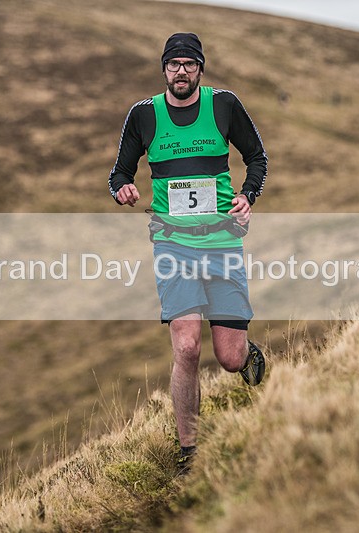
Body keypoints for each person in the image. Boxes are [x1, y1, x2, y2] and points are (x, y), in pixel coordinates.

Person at [108, 32, 267, 473]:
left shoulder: (224, 106)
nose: (181, 71)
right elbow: (120, 170)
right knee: (188, 346)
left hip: (222, 243)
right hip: (173, 244)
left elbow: (257, 157)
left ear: (200, 68)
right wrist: (121, 186)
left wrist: (247, 195)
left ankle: (248, 353)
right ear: (164, 70)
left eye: (189, 64)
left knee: (229, 358)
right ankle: (190, 450)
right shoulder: (143, 116)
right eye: (174, 64)